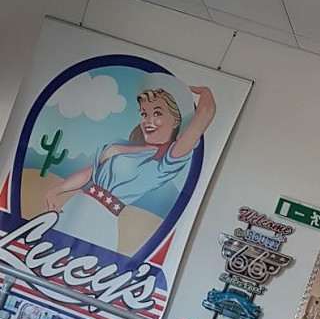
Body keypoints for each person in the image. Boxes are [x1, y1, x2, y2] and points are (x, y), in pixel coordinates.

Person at [47, 85, 216, 252]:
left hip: (100, 220)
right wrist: (55, 190)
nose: (148, 120)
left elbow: (205, 113)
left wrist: (204, 91)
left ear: (175, 120)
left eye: (157, 113)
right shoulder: (128, 146)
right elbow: (90, 173)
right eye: (144, 114)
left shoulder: (165, 160)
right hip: (74, 209)